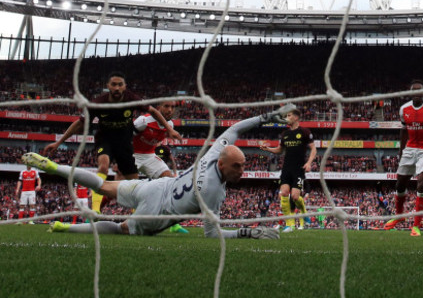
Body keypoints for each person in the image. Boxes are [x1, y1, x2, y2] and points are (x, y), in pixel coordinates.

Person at [22, 104, 294, 239]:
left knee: (104, 186)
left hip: (155, 187)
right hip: (157, 213)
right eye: (238, 166)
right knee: (121, 229)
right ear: (223, 165)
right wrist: (248, 233)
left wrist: (266, 117)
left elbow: (234, 129)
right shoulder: (213, 192)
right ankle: (65, 228)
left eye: (244, 166)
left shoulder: (213, 154)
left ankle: (55, 168)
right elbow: (212, 235)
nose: (242, 171)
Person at [43, 71, 181, 213]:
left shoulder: (131, 98)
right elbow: (79, 123)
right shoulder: (98, 103)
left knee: (134, 181)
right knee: (103, 165)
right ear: (108, 86)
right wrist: (58, 142)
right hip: (105, 139)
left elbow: (152, 110)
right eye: (114, 84)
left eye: (120, 85)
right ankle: (95, 209)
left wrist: (168, 129)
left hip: (124, 142)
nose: (117, 88)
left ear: (125, 86)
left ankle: (135, 215)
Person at [384, 80, 423, 237]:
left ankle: (417, 226)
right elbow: (404, 130)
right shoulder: (403, 109)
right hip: (410, 149)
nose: (417, 93)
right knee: (400, 184)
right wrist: (401, 150)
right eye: (415, 91)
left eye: (420, 91)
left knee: (422, 183)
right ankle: (398, 217)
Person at [132, 100, 187, 233]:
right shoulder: (143, 121)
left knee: (169, 181)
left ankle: (172, 224)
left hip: (149, 156)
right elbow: (125, 137)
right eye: (166, 106)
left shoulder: (170, 124)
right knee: (120, 183)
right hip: (132, 154)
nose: (170, 110)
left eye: (172, 107)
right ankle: (95, 213)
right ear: (158, 108)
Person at [260, 108, 316, 233]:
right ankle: (289, 224)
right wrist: (268, 149)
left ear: (296, 117)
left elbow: (313, 149)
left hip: (299, 169)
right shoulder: (285, 134)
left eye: (289, 115)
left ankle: (304, 213)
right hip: (286, 168)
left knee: (296, 197)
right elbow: (280, 150)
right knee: (284, 193)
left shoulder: (305, 132)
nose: (286, 118)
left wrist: (308, 163)